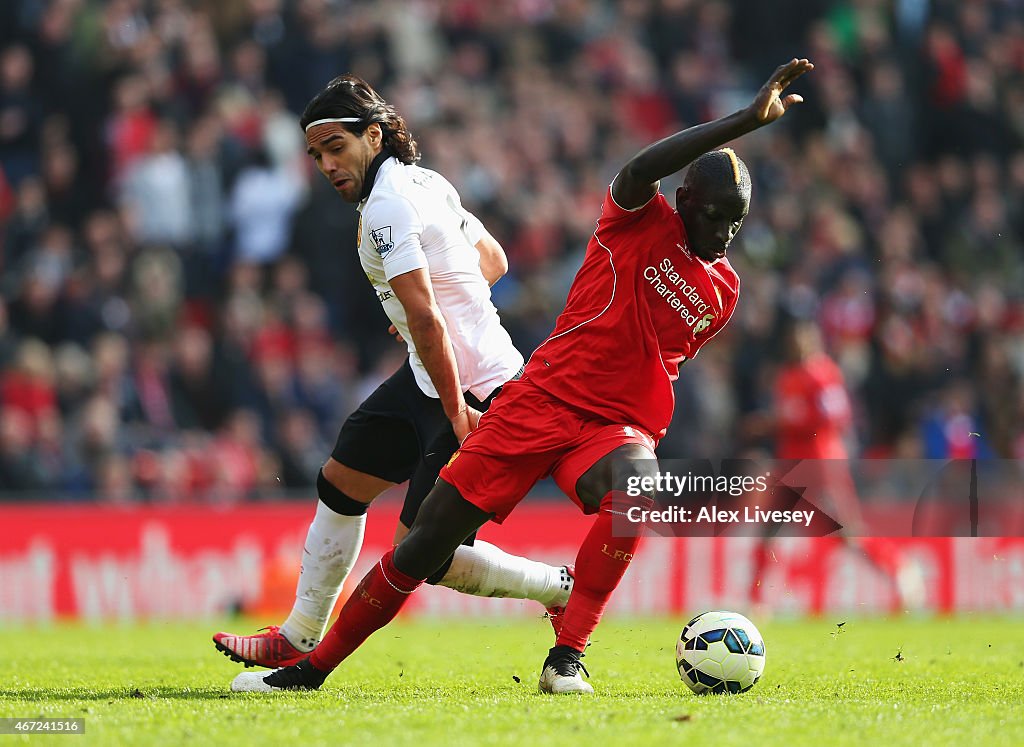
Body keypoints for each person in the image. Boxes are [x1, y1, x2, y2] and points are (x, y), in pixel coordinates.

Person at [231, 58, 816, 694]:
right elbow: (639, 168)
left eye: (735, 222)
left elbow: (646, 350)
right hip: (536, 398)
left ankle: (567, 657)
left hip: (610, 425)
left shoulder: (723, 290)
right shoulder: (633, 218)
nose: (723, 235)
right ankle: (308, 668)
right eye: (712, 217)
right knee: (422, 548)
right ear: (682, 201)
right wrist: (744, 122)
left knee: (638, 494)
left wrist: (447, 319)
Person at [214, 75, 574, 669]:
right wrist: (419, 310)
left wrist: (455, 400)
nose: (327, 164)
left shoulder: (384, 206)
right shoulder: (428, 182)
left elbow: (431, 318)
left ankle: (560, 587)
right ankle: (301, 632)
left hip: (474, 389)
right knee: (341, 481)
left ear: (373, 136)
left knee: (423, 554)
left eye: (336, 147)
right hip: (429, 375)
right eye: (317, 154)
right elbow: (493, 261)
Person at [747, 317, 925, 611]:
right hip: (791, 465)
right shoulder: (787, 376)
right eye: (793, 339)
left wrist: (780, 421)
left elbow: (836, 417)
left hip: (820, 465)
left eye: (803, 338)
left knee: (848, 533)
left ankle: (900, 569)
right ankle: (756, 603)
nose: (798, 344)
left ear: (814, 340)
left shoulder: (824, 374)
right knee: (768, 530)